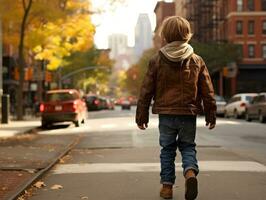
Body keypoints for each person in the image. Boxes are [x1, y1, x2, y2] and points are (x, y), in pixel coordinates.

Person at [135, 16, 216, 200]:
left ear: (164, 36)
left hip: (166, 114)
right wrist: (211, 114)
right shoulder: (197, 60)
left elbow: (146, 90)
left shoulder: (157, 60)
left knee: (167, 150)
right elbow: (207, 90)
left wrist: (142, 115)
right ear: (187, 34)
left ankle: (167, 187)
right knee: (188, 147)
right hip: (188, 113)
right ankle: (190, 174)